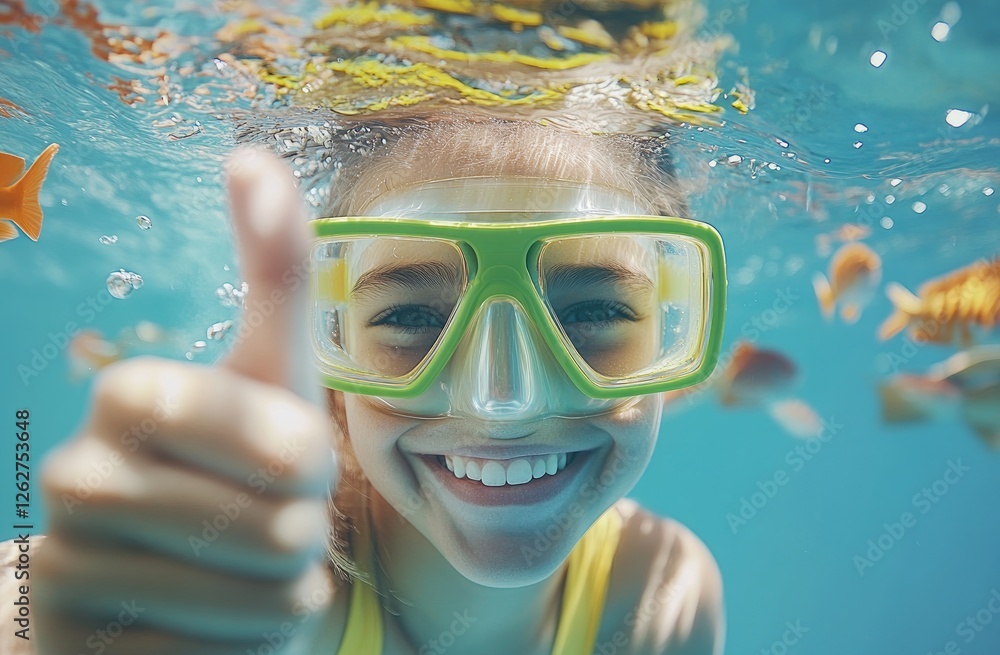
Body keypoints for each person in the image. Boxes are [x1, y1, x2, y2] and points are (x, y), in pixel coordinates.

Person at [2, 107, 726, 655]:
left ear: (673, 333)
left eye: (596, 311)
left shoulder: (660, 602)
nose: (502, 403)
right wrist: (48, 625)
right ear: (328, 348)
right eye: (410, 315)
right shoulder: (257, 576)